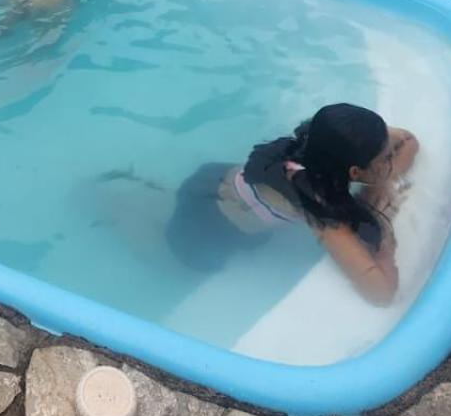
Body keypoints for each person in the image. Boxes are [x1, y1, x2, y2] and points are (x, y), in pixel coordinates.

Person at [175, 104, 418, 304]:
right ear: (354, 171)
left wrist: (383, 182)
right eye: (386, 158)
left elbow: (407, 140)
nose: (391, 159)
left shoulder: (318, 138)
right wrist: (386, 240)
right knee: (196, 264)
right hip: (209, 229)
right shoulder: (319, 208)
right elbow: (381, 294)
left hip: (217, 179)